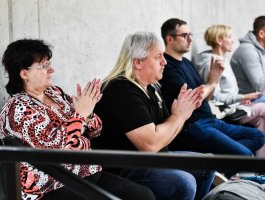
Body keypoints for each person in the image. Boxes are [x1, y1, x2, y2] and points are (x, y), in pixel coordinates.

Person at [0, 39, 155, 200]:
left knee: (143, 196)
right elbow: (55, 147)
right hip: (52, 185)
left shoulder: (55, 93)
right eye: (43, 66)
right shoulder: (18, 108)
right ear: (24, 73)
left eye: (49, 63)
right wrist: (80, 115)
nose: (51, 69)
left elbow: (95, 132)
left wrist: (89, 114)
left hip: (87, 173)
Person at [92, 32, 215, 200]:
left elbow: (165, 135)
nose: (164, 62)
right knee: (183, 182)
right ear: (138, 62)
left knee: (208, 163)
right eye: (158, 57)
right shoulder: (121, 90)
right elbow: (150, 144)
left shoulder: (152, 88)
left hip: (153, 159)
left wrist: (183, 114)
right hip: (124, 168)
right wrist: (178, 117)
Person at [160, 18, 265, 156]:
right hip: (194, 125)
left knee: (258, 136)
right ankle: (222, 162)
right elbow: (192, 100)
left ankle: (219, 161)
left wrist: (212, 83)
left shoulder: (186, 62)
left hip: (210, 119)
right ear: (169, 39)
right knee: (244, 155)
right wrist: (212, 82)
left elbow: (207, 97)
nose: (190, 39)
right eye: (185, 35)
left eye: (190, 35)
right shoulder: (167, 67)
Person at [193, 24, 265, 157]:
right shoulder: (212, 63)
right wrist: (242, 97)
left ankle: (262, 167)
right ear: (219, 41)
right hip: (227, 110)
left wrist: (242, 97)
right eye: (229, 37)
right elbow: (214, 96)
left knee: (261, 119)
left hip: (237, 106)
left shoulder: (224, 60)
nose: (233, 40)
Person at [230, 16, 265, 108]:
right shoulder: (248, 51)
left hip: (264, 95)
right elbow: (260, 85)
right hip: (248, 100)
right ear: (262, 33)